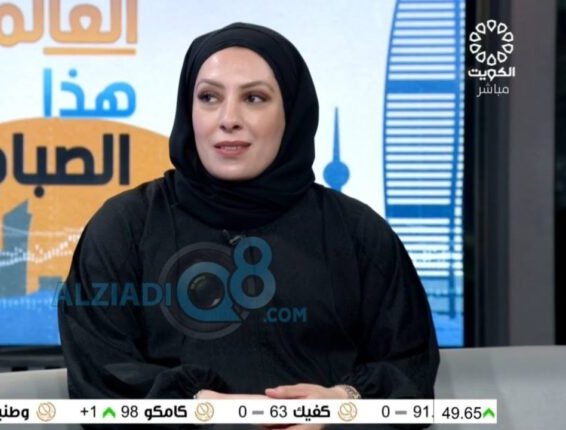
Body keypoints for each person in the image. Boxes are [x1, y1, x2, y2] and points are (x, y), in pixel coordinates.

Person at [58, 22, 439, 429]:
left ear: (292, 112)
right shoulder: (123, 228)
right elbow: (100, 376)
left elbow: (409, 369)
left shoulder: (358, 233)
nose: (229, 119)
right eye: (209, 97)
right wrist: (202, 408)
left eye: (254, 98)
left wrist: (342, 401)